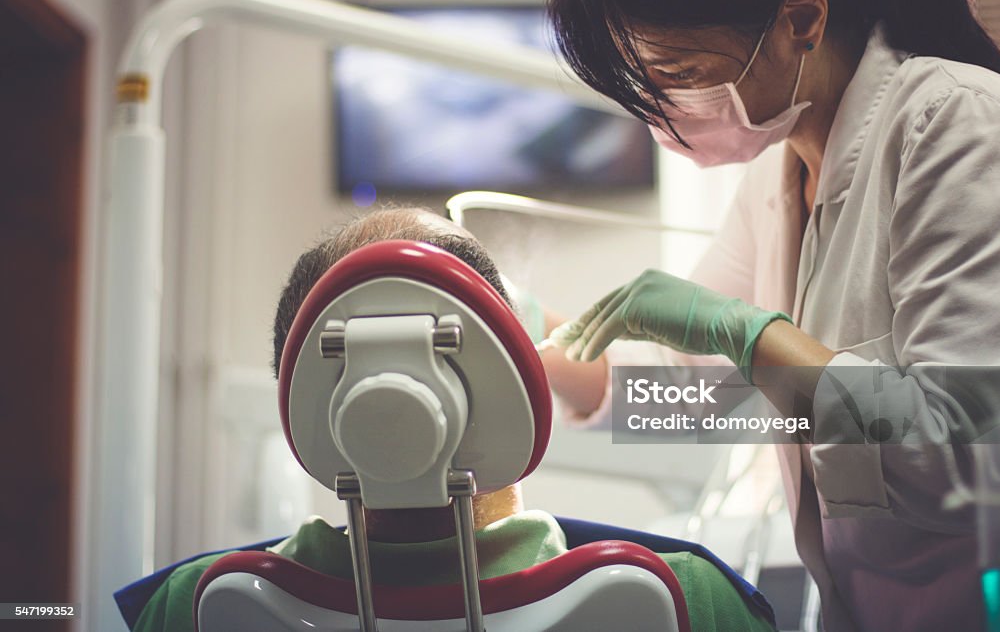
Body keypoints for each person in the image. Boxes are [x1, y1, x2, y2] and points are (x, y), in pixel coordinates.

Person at [538, 0, 1000, 631]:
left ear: (802, 19)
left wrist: (750, 335)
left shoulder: (956, 125)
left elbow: (967, 452)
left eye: (679, 75)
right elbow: (689, 396)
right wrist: (532, 346)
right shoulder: (778, 181)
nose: (663, 111)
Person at [129, 206, 775, 632]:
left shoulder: (191, 606)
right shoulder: (688, 600)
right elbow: (855, 416)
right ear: (514, 383)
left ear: (307, 400)